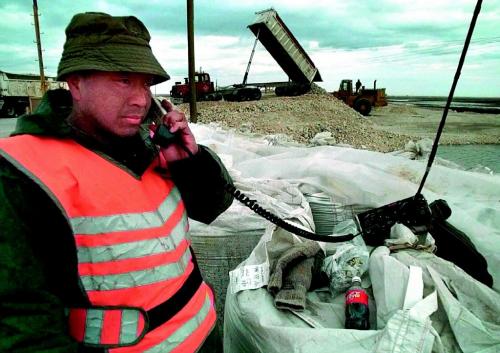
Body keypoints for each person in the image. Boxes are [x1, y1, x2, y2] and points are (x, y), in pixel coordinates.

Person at [0, 12, 233, 353]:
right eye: (123, 80)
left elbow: (213, 206)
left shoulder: (148, 145)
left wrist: (190, 163)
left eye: (145, 84)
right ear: (76, 83)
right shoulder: (22, 171)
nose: (141, 99)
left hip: (203, 334)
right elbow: (22, 322)